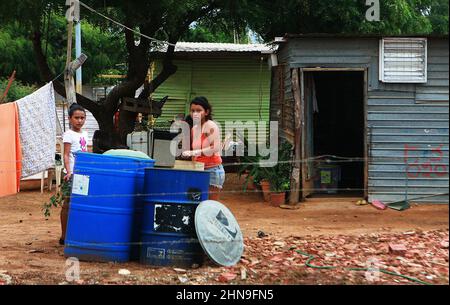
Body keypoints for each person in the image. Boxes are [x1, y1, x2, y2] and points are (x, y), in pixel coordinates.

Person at [182, 97, 225, 200]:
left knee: (210, 204)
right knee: (197, 202)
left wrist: (194, 152)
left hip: (213, 170)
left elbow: (215, 148)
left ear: (206, 112)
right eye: (192, 111)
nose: (195, 113)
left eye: (199, 110)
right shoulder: (194, 129)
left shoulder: (210, 126)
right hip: (199, 170)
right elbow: (194, 154)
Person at [59, 103, 88, 245]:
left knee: (81, 204)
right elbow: (66, 155)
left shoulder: (85, 134)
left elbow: (86, 153)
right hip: (70, 175)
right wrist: (69, 171)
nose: (80, 121)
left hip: (83, 174)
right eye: (76, 118)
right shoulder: (68, 134)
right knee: (67, 204)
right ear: (70, 119)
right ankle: (64, 236)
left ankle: (77, 234)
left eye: (82, 118)